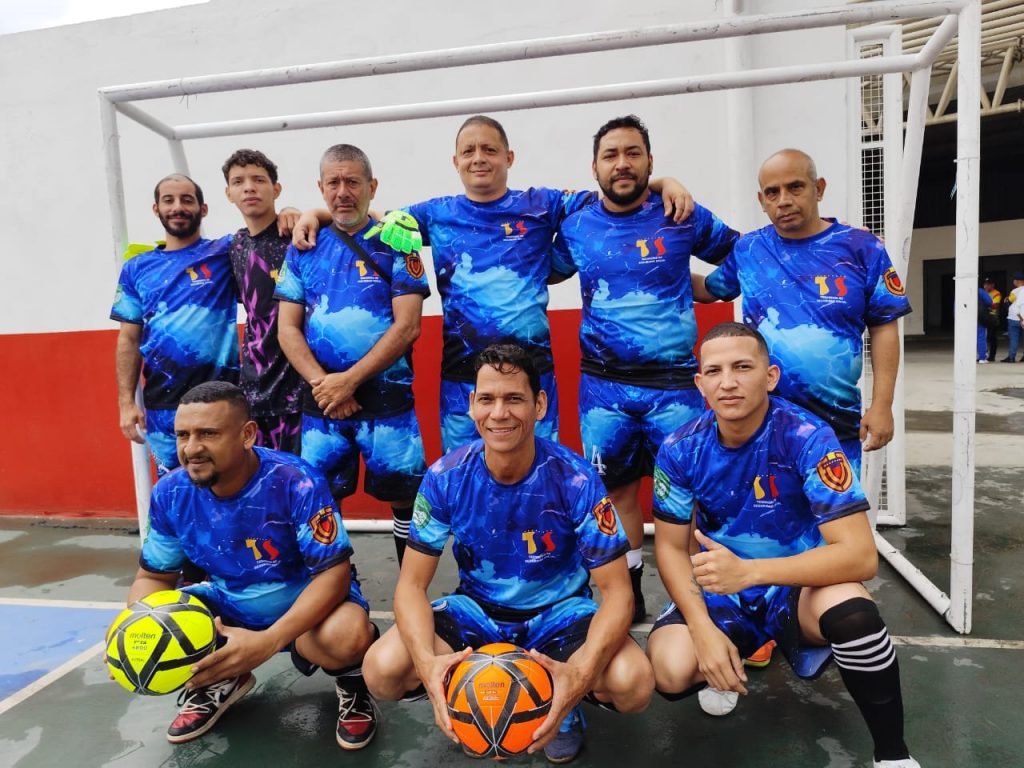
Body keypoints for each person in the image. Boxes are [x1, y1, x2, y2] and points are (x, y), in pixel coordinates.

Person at [292, 115, 694, 454]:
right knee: (463, 476)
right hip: (461, 378)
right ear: (456, 162)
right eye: (468, 151)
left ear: (508, 157)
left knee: (540, 473)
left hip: (532, 374)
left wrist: (664, 183)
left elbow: (614, 195)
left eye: (489, 149)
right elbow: (368, 220)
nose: (479, 158)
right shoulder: (433, 214)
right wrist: (314, 214)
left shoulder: (543, 204)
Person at [361, 344, 654, 764]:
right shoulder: (445, 477)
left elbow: (618, 593)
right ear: (472, 405)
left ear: (539, 405)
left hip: (560, 612)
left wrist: (580, 675)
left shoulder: (576, 479)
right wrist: (427, 665)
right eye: (487, 399)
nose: (499, 413)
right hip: (477, 611)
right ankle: (477, 696)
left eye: (514, 398)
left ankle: (560, 704)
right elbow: (410, 586)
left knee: (633, 683)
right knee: (382, 669)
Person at [647, 323, 920, 768]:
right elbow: (671, 549)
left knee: (854, 614)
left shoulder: (807, 437)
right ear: (700, 383)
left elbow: (860, 555)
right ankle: (727, 654)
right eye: (714, 371)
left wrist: (753, 572)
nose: (727, 382)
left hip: (795, 586)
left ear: (770, 376)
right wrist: (702, 628)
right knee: (670, 669)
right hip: (724, 592)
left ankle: (893, 755)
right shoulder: (680, 448)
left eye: (742, 367)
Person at [550, 115, 740, 623]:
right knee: (615, 493)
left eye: (633, 153)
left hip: (675, 388)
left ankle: (704, 603)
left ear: (650, 161)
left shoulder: (680, 214)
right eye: (611, 155)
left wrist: (712, 288)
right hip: (603, 390)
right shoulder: (577, 225)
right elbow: (538, 268)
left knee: (692, 497)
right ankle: (629, 597)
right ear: (594, 167)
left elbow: (746, 253)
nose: (622, 164)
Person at [126, 382, 378, 749]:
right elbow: (153, 577)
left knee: (346, 634)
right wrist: (133, 630)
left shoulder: (297, 481)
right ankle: (224, 678)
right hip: (228, 604)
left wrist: (269, 641)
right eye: (183, 435)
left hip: (305, 605)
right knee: (164, 620)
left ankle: (352, 681)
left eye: (208, 434)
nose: (191, 448)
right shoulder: (171, 492)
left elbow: (334, 576)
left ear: (247, 435)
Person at [699, 148, 912, 476]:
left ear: (819, 188)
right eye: (772, 192)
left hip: (835, 426)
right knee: (766, 507)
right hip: (759, 427)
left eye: (795, 187)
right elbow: (709, 289)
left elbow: (884, 327)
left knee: (835, 507)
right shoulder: (749, 250)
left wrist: (882, 405)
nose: (783, 200)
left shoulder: (862, 248)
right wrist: (650, 275)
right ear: (761, 200)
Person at [276, 144, 430, 565]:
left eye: (353, 182)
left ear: (372, 186)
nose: (342, 192)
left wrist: (349, 381)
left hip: (387, 404)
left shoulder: (399, 243)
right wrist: (325, 385)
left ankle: (409, 586)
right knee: (322, 501)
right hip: (323, 405)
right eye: (333, 183)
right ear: (321, 188)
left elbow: (408, 326)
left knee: (406, 498)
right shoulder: (303, 246)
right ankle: (338, 587)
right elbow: (286, 329)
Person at [112, 174, 240, 476]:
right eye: (168, 200)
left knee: (228, 483)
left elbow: (265, 232)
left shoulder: (225, 252)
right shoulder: (136, 268)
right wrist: (126, 403)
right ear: (156, 209)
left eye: (187, 200)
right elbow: (128, 340)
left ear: (203, 209)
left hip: (222, 398)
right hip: (164, 405)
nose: (177, 207)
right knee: (176, 488)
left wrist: (295, 214)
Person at [223, 149, 305, 454]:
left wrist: (301, 212)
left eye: (258, 179)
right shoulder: (235, 246)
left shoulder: (298, 237)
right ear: (229, 194)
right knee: (262, 475)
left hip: (298, 391)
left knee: (301, 474)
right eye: (238, 181)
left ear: (276, 189)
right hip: (254, 391)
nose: (249, 187)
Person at [1000, 272, 1024, 362]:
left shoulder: (1015, 291)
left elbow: (1008, 302)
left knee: (1014, 338)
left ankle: (1011, 357)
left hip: (1014, 317)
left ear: (1017, 281)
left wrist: (1006, 299)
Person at [982, 276, 1002, 363]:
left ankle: (992, 356)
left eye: (988, 284)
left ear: (993, 285)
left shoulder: (996, 293)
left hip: (992, 317)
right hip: (983, 316)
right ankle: (983, 355)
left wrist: (985, 306)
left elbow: (995, 305)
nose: (986, 286)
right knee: (983, 337)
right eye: (985, 284)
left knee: (991, 337)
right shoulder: (982, 293)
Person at [977, 286, 993, 364]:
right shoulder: (980, 291)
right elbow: (989, 301)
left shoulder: (961, 290)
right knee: (981, 336)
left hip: (965, 317)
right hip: (980, 317)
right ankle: (982, 357)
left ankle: (968, 357)